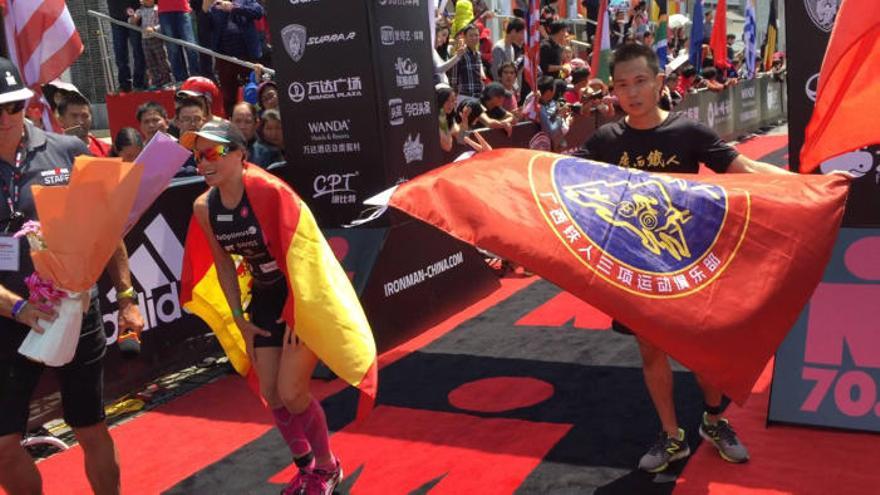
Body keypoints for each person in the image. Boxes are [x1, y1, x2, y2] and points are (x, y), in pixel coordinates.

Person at [573, 43, 789, 473]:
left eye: (640, 81)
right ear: (611, 90)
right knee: (652, 353)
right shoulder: (604, 140)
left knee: (702, 353)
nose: (631, 92)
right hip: (635, 269)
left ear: (659, 82)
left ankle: (713, 420)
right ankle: (673, 437)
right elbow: (552, 174)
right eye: (621, 84)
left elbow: (744, 169)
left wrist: (805, 184)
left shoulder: (687, 133)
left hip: (686, 266)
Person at [0, 57, 144, 495]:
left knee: (91, 427)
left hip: (76, 312)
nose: (5, 117)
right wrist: (18, 307)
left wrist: (126, 295)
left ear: (26, 104)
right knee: (4, 446)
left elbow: (107, 229)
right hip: (8, 323)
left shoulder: (69, 151)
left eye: (13, 106)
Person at [182, 121, 342, 494]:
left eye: (212, 152)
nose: (202, 162)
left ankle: (328, 466)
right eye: (197, 154)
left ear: (240, 154)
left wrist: (299, 313)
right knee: (270, 393)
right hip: (264, 297)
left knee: (293, 393)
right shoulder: (204, 207)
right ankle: (306, 468)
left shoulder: (269, 192)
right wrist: (238, 318)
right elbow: (223, 264)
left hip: (301, 295)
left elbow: (306, 256)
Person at [208, 0, 265, 116]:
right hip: (224, 57)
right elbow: (205, 26)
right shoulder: (214, 4)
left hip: (248, 55)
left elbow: (259, 12)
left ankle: (257, 121)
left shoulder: (244, 1)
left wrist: (234, 8)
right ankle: (231, 124)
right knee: (229, 96)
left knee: (255, 90)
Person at [128, 0, 172, 89]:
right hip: (145, 39)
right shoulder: (140, 10)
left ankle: (167, 80)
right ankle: (156, 82)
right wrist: (133, 18)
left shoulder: (157, 9)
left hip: (157, 38)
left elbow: (162, 24)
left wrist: (154, 29)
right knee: (150, 61)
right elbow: (131, 21)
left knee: (161, 60)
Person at [107, 0, 146, 92]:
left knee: (138, 51)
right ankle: (124, 85)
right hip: (116, 17)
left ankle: (139, 83)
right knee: (120, 53)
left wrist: (138, 13)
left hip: (134, 16)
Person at [158, 0, 201, 83]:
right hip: (164, 11)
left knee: (191, 47)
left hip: (182, 10)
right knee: (173, 50)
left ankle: (196, 79)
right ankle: (180, 80)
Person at [450, 25, 485, 99]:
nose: (474, 38)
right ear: (464, 37)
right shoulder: (460, 54)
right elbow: (454, 80)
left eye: (476, 35)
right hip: (464, 97)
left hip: (478, 96)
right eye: (471, 35)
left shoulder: (478, 54)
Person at [175, 97, 207, 176]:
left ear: (204, 121)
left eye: (197, 119)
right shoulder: (168, 152)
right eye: (186, 119)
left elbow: (227, 154)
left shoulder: (216, 147)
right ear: (177, 122)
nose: (192, 124)